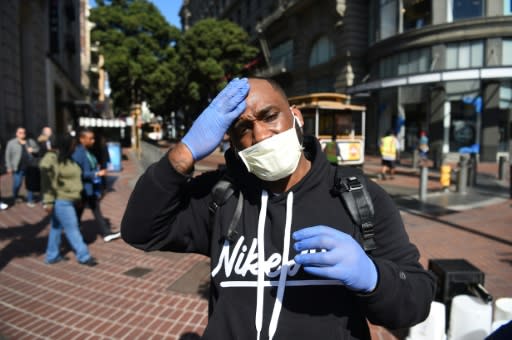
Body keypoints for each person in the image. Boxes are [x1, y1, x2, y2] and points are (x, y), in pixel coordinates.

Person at [121, 78, 435, 340]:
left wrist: (374, 278)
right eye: (243, 129)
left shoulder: (357, 196)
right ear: (232, 142)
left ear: (296, 117)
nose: (259, 135)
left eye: (270, 116)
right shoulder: (222, 194)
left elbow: (416, 303)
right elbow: (140, 230)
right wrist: (184, 153)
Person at [40, 134, 97, 266]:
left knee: (56, 228)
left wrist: (78, 197)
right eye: (73, 145)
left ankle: (51, 256)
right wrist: (48, 202)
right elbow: (47, 182)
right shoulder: (53, 159)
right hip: (62, 200)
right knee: (73, 228)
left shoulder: (68, 159)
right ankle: (84, 256)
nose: (75, 147)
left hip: (70, 199)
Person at [72, 129, 120, 242]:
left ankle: (105, 233)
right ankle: (74, 235)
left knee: (93, 210)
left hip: (89, 189)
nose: (93, 141)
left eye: (93, 138)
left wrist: (96, 168)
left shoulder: (87, 151)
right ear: (82, 139)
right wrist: (96, 173)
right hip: (82, 189)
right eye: (90, 138)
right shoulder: (78, 153)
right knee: (78, 213)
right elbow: (77, 173)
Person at [5, 127, 40, 206]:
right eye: (20, 132)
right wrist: (8, 167)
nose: (22, 134)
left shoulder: (30, 141)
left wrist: (33, 150)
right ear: (16, 134)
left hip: (30, 167)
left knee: (30, 184)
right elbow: (8, 155)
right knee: (17, 183)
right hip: (18, 167)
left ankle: (30, 200)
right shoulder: (11, 143)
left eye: (23, 132)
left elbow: (37, 149)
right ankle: (15, 196)